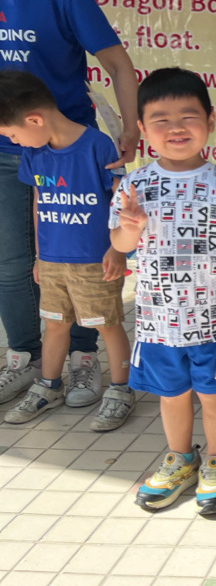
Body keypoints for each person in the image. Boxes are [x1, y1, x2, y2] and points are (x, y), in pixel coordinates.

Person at [0, 0, 139, 408]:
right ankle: (25, 357)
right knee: (13, 262)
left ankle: (83, 357)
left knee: (84, 258)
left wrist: (130, 128)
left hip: (69, 149)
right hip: (6, 148)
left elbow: (118, 63)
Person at [110, 68, 216, 515]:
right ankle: (181, 459)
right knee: (170, 394)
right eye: (160, 120)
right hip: (158, 321)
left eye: (188, 116)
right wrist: (130, 227)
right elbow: (120, 244)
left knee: (213, 393)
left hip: (213, 318)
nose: (175, 128)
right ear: (141, 128)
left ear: (210, 120)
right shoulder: (134, 185)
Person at [0, 72, 134, 431]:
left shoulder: (97, 145)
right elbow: (38, 201)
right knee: (55, 324)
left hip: (95, 260)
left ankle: (121, 390)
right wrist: (39, 255)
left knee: (107, 325)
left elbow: (120, 200)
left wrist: (117, 249)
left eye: (12, 135)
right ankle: (48, 386)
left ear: (34, 120)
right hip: (52, 261)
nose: (14, 142)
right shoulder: (34, 154)